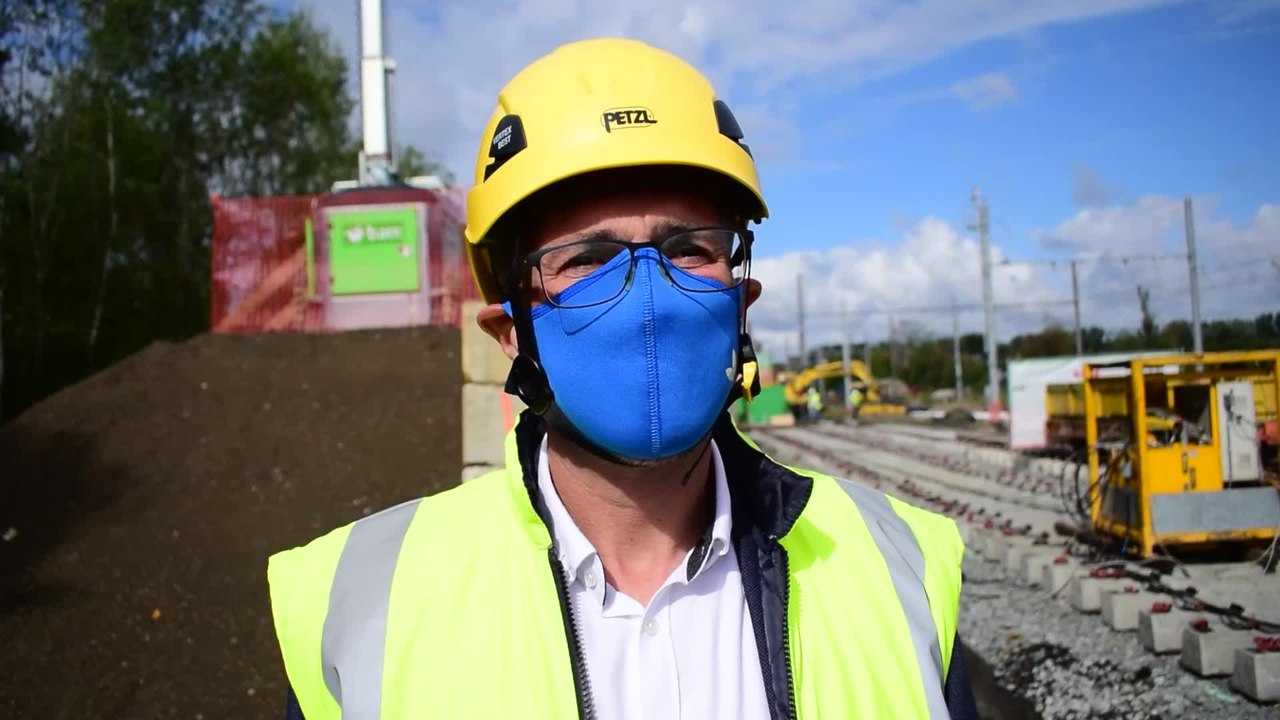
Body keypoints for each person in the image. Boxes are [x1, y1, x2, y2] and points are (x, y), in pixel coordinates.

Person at [268, 38, 979, 720]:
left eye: (687, 249)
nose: (647, 297)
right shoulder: (365, 606)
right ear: (510, 331)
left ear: (741, 303)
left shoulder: (896, 568)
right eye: (586, 259)